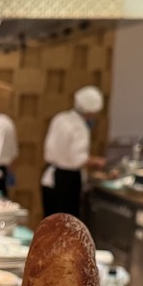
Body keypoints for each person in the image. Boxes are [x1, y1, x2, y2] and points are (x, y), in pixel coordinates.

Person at [41, 86, 105, 222]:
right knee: (66, 226)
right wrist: (98, 162)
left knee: (51, 225)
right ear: (90, 111)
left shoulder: (60, 118)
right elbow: (79, 159)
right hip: (67, 181)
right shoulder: (80, 127)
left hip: (50, 175)